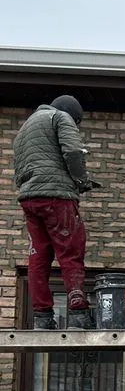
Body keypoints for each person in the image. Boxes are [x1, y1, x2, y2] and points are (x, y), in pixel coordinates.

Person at [13, 95, 99, 330]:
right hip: (57, 197)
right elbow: (73, 152)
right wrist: (81, 180)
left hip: (30, 199)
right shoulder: (60, 117)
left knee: (38, 256)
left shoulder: (26, 127)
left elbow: (19, 168)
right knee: (70, 251)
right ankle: (79, 315)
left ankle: (42, 317)